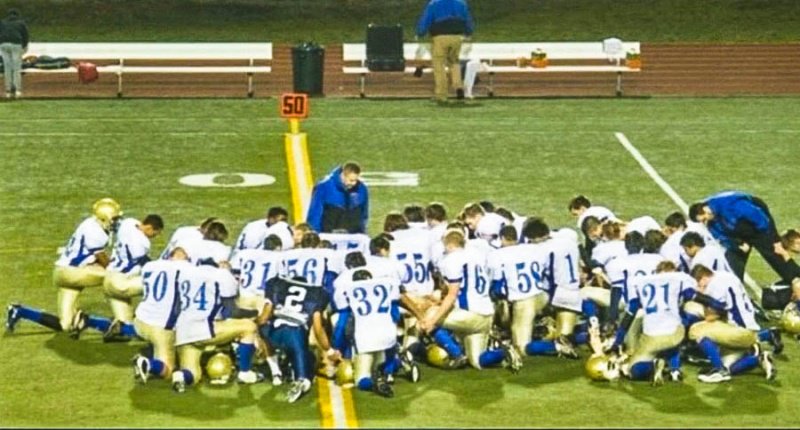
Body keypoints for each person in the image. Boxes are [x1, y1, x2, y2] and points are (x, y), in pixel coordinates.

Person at [689, 191, 800, 290]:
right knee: (733, 262)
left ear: (704, 210)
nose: (705, 222)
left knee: (775, 253)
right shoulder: (711, 223)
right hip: (739, 233)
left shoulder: (729, 205)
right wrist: (737, 245)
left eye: (704, 219)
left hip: (758, 225)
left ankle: (796, 280)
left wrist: (772, 238)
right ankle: (736, 290)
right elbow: (722, 238)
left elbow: (759, 217)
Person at [415, 0, 475, 103]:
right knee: (454, 61)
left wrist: (420, 32)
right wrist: (469, 32)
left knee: (439, 64)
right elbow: (467, 20)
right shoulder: (461, 3)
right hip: (457, 37)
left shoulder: (434, 3)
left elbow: (426, 19)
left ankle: (441, 94)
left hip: (440, 36)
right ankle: (458, 87)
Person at [306, 162, 369, 234]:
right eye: (351, 180)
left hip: (352, 238)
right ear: (343, 176)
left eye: (356, 180)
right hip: (329, 237)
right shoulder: (324, 187)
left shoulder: (362, 189)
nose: (354, 183)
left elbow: (364, 215)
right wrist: (315, 234)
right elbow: (315, 214)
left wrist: (362, 232)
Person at [0, 9, 29, 99]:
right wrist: (24, 46)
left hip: (4, 44)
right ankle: (17, 90)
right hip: (16, 44)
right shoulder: (21, 23)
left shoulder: (2, 22)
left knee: (7, 68)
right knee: (16, 68)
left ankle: (8, 90)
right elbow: (25, 36)